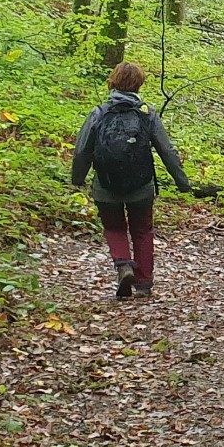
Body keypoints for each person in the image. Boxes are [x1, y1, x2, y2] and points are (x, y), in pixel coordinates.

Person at [71, 61, 192, 299]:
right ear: (139, 84)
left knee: (114, 227)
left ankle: (124, 266)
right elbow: (167, 150)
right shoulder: (147, 114)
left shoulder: (99, 113)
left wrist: (77, 179)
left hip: (105, 185)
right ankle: (144, 283)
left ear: (113, 82)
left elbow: (82, 150)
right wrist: (182, 182)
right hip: (141, 186)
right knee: (143, 231)